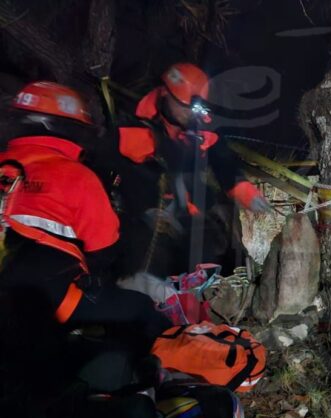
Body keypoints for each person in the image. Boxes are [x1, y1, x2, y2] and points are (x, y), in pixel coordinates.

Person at [0, 82, 170, 418]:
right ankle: (146, 395)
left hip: (11, 299)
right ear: (68, 128)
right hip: (48, 302)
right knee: (141, 310)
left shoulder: (5, 166)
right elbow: (104, 248)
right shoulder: (76, 176)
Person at [92, 62, 269, 277]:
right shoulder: (131, 125)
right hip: (141, 213)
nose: (190, 114)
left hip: (187, 210)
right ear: (166, 94)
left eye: (196, 108)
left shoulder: (201, 126)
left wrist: (246, 193)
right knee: (145, 261)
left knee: (213, 250)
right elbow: (104, 164)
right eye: (186, 107)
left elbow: (223, 161)